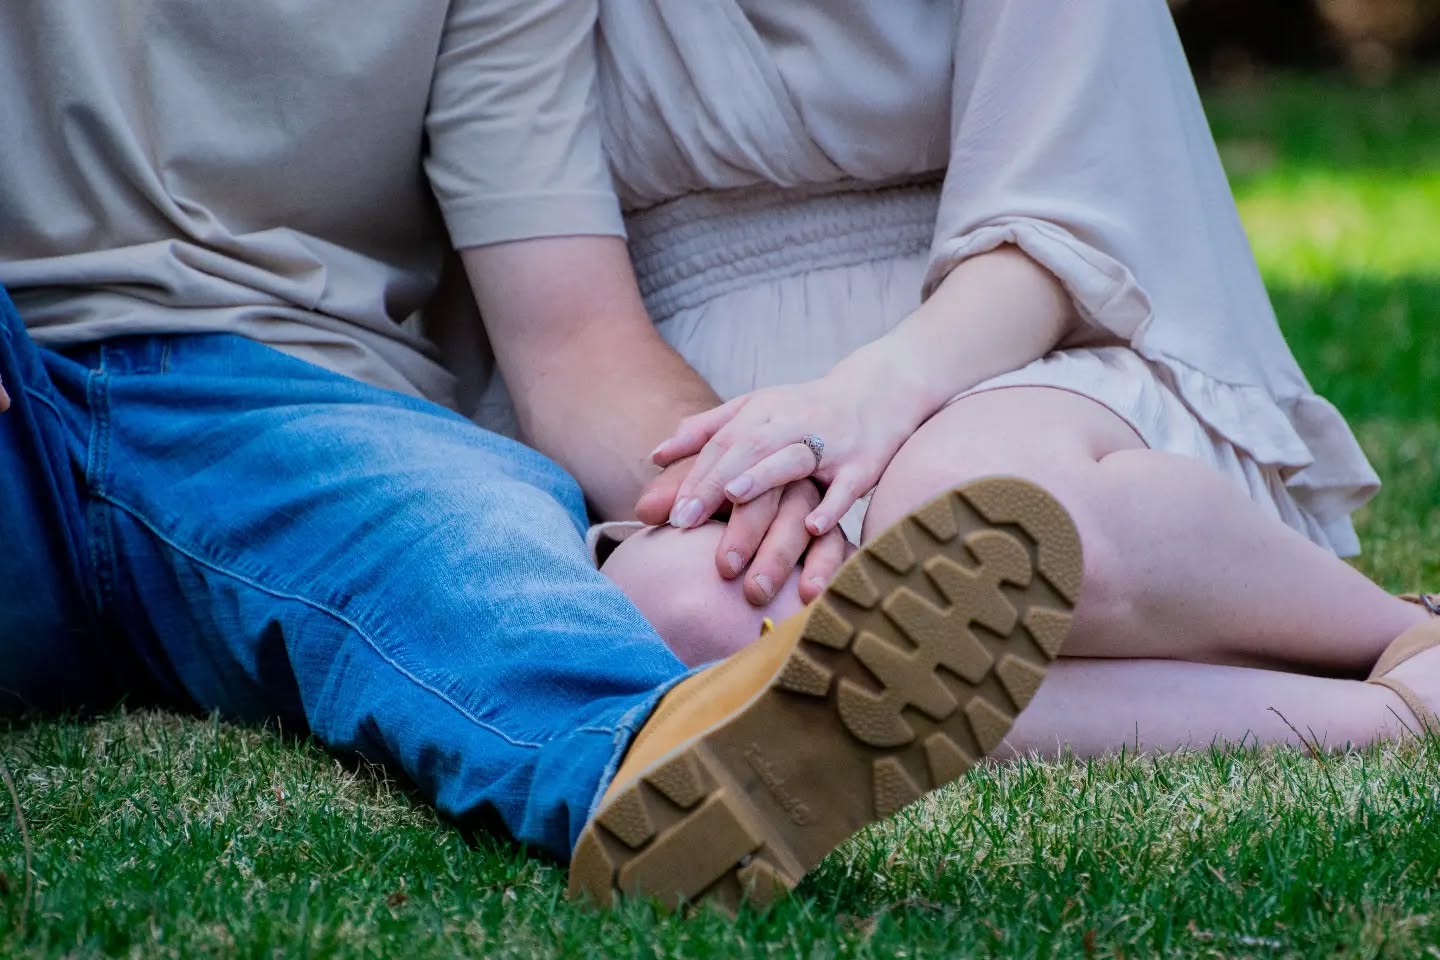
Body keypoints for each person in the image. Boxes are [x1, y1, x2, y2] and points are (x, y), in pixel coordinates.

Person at [0, 1, 1073, 913]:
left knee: (470, 524)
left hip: (293, 400)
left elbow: (573, 342)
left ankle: (654, 756)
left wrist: (748, 484)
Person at [505, 0, 1440, 749]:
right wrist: (739, 480)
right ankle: (1376, 718)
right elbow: (568, 339)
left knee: (977, 513)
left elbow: (1059, 221)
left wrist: (866, 396)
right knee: (689, 615)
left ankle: (1382, 631)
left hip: (1007, 340)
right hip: (708, 387)